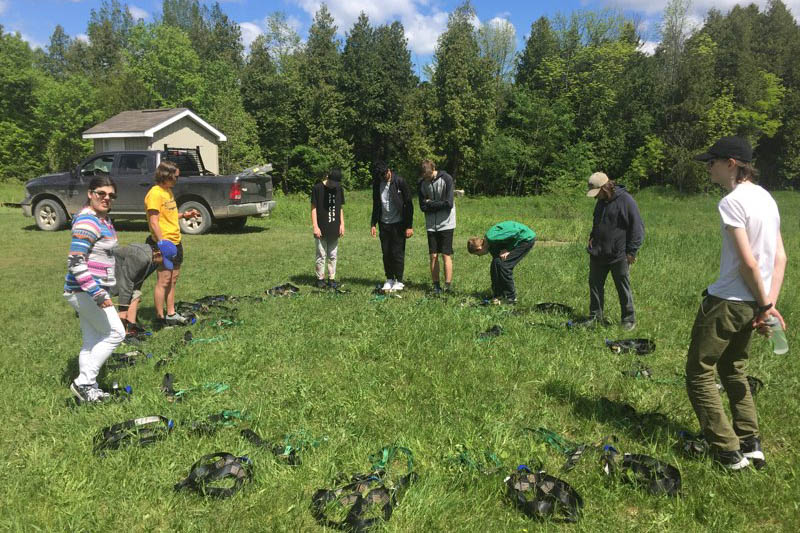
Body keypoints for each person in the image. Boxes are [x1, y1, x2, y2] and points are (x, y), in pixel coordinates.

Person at [687, 136, 787, 471]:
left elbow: (748, 262)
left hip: (727, 301)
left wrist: (764, 306)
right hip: (752, 303)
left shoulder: (732, 202)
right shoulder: (767, 199)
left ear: (731, 163)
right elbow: (780, 258)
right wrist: (768, 304)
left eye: (712, 162)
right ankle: (751, 443)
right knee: (734, 369)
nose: (708, 167)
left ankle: (728, 452)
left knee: (699, 373)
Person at [64, 176, 125, 403]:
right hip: (86, 290)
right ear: (90, 193)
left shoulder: (103, 219)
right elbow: (75, 262)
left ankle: (89, 389)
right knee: (116, 333)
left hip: (88, 290)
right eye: (101, 193)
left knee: (91, 339)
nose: (106, 198)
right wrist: (98, 294)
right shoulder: (88, 222)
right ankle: (84, 383)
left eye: (111, 195)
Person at [585, 172, 644, 330]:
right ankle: (595, 317)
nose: (596, 197)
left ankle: (628, 319)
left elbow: (637, 228)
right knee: (595, 285)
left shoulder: (626, 201)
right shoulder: (601, 202)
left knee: (622, 287)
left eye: (597, 193)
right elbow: (597, 222)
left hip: (618, 254)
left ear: (605, 188)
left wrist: (631, 252)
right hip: (598, 253)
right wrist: (592, 237)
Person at [144, 161, 199, 328]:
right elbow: (154, 222)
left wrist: (186, 215)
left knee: (173, 279)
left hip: (176, 240)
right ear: (166, 176)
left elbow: (169, 215)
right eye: (176, 176)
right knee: (164, 280)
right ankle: (160, 319)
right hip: (164, 243)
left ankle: (171, 313)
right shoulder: (155, 193)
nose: (177, 179)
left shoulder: (168, 192)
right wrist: (161, 243)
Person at [110, 241, 175, 336]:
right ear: (158, 253)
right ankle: (119, 334)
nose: (164, 264)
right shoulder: (140, 258)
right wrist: (123, 308)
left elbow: (137, 280)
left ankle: (131, 328)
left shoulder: (153, 258)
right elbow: (126, 283)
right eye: (164, 260)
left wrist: (134, 296)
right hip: (108, 273)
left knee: (135, 294)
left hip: (125, 279)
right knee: (119, 307)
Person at [467, 221, 536, 304]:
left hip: (525, 239)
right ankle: (498, 294)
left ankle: (511, 298)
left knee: (505, 266)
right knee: (496, 263)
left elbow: (515, 233)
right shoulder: (490, 245)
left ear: (479, 248)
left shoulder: (492, 238)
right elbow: (497, 265)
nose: (479, 256)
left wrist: (508, 249)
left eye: (477, 254)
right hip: (517, 239)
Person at [371, 161, 414, 291]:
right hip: (384, 224)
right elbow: (376, 204)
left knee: (397, 253)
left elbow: (409, 204)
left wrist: (409, 226)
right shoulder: (377, 183)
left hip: (399, 224)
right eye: (381, 176)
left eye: (385, 174)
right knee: (386, 253)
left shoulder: (400, 181)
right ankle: (389, 278)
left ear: (389, 170)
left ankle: (399, 280)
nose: (384, 177)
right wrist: (373, 223)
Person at [418, 160, 456, 294]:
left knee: (446, 255)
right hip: (431, 225)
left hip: (446, 223)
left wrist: (430, 203)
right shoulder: (422, 183)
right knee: (433, 256)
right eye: (425, 177)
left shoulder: (447, 179)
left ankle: (447, 286)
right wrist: (432, 204)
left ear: (434, 169)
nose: (427, 179)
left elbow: (449, 204)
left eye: (429, 176)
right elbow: (422, 207)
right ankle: (436, 286)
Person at [311, 168, 345, 289]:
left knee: (333, 255)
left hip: (334, 227)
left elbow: (340, 207)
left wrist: (342, 224)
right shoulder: (317, 188)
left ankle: (331, 279)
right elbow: (313, 208)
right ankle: (320, 279)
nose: (334, 185)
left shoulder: (339, 189)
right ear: (328, 178)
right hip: (321, 228)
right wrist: (315, 226)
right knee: (321, 254)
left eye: (337, 183)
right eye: (333, 183)